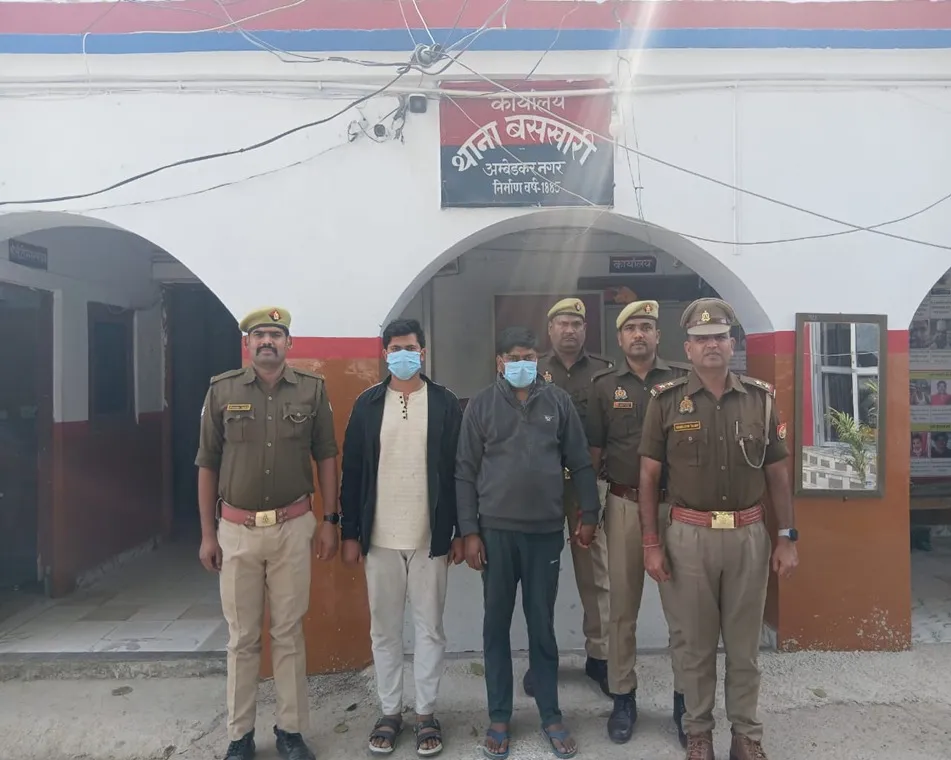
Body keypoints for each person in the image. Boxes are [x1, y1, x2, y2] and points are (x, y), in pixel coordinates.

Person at [637, 298, 799, 760]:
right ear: (687, 348)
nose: (712, 345)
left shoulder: (760, 399)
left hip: (749, 536)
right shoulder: (666, 401)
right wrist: (651, 543)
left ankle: (746, 735)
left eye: (720, 337)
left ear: (732, 344)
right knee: (694, 645)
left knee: (745, 647)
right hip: (688, 537)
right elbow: (648, 476)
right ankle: (699, 734)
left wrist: (786, 536)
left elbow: (777, 474)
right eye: (702, 339)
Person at [195, 307, 340, 760]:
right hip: (236, 532)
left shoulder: (312, 390)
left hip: (293, 528)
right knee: (242, 637)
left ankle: (290, 731)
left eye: (276, 334)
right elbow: (207, 463)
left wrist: (331, 520)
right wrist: (207, 534)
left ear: (288, 343)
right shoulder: (222, 390)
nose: (267, 342)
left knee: (288, 633)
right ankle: (239, 734)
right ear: (247, 344)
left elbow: (326, 456)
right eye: (259, 334)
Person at [456, 326, 601, 760]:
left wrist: (590, 513)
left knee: (542, 625)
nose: (523, 364)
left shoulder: (558, 402)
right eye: (515, 357)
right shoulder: (481, 405)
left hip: (544, 534)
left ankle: (551, 715)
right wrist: (469, 531)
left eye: (530, 357)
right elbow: (465, 471)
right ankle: (499, 716)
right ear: (500, 362)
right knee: (495, 626)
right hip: (495, 534)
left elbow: (580, 460)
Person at [339, 318, 465, 758]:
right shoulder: (368, 404)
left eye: (410, 348)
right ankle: (390, 712)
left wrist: (461, 531)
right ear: (385, 354)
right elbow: (352, 470)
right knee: (385, 630)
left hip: (431, 537)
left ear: (423, 352)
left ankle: (426, 713)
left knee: (430, 629)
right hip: (378, 538)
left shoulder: (445, 403)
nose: (403, 355)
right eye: (395, 348)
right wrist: (349, 532)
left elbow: (459, 471)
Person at [585, 300, 690, 746]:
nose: (640, 335)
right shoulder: (604, 386)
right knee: (621, 610)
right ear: (620, 338)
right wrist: (588, 510)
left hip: (677, 509)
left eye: (647, 327)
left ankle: (685, 701)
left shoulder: (683, 381)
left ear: (658, 335)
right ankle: (623, 697)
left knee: (683, 613)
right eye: (631, 329)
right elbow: (593, 454)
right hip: (624, 505)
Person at [528, 297, 612, 697]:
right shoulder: (531, 369)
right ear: (550, 330)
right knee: (539, 576)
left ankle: (601, 656)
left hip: (586, 484)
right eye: (562, 323)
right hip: (541, 488)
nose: (570, 330)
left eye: (577, 324)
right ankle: (542, 659)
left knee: (596, 574)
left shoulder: (603, 372)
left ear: (585, 330)